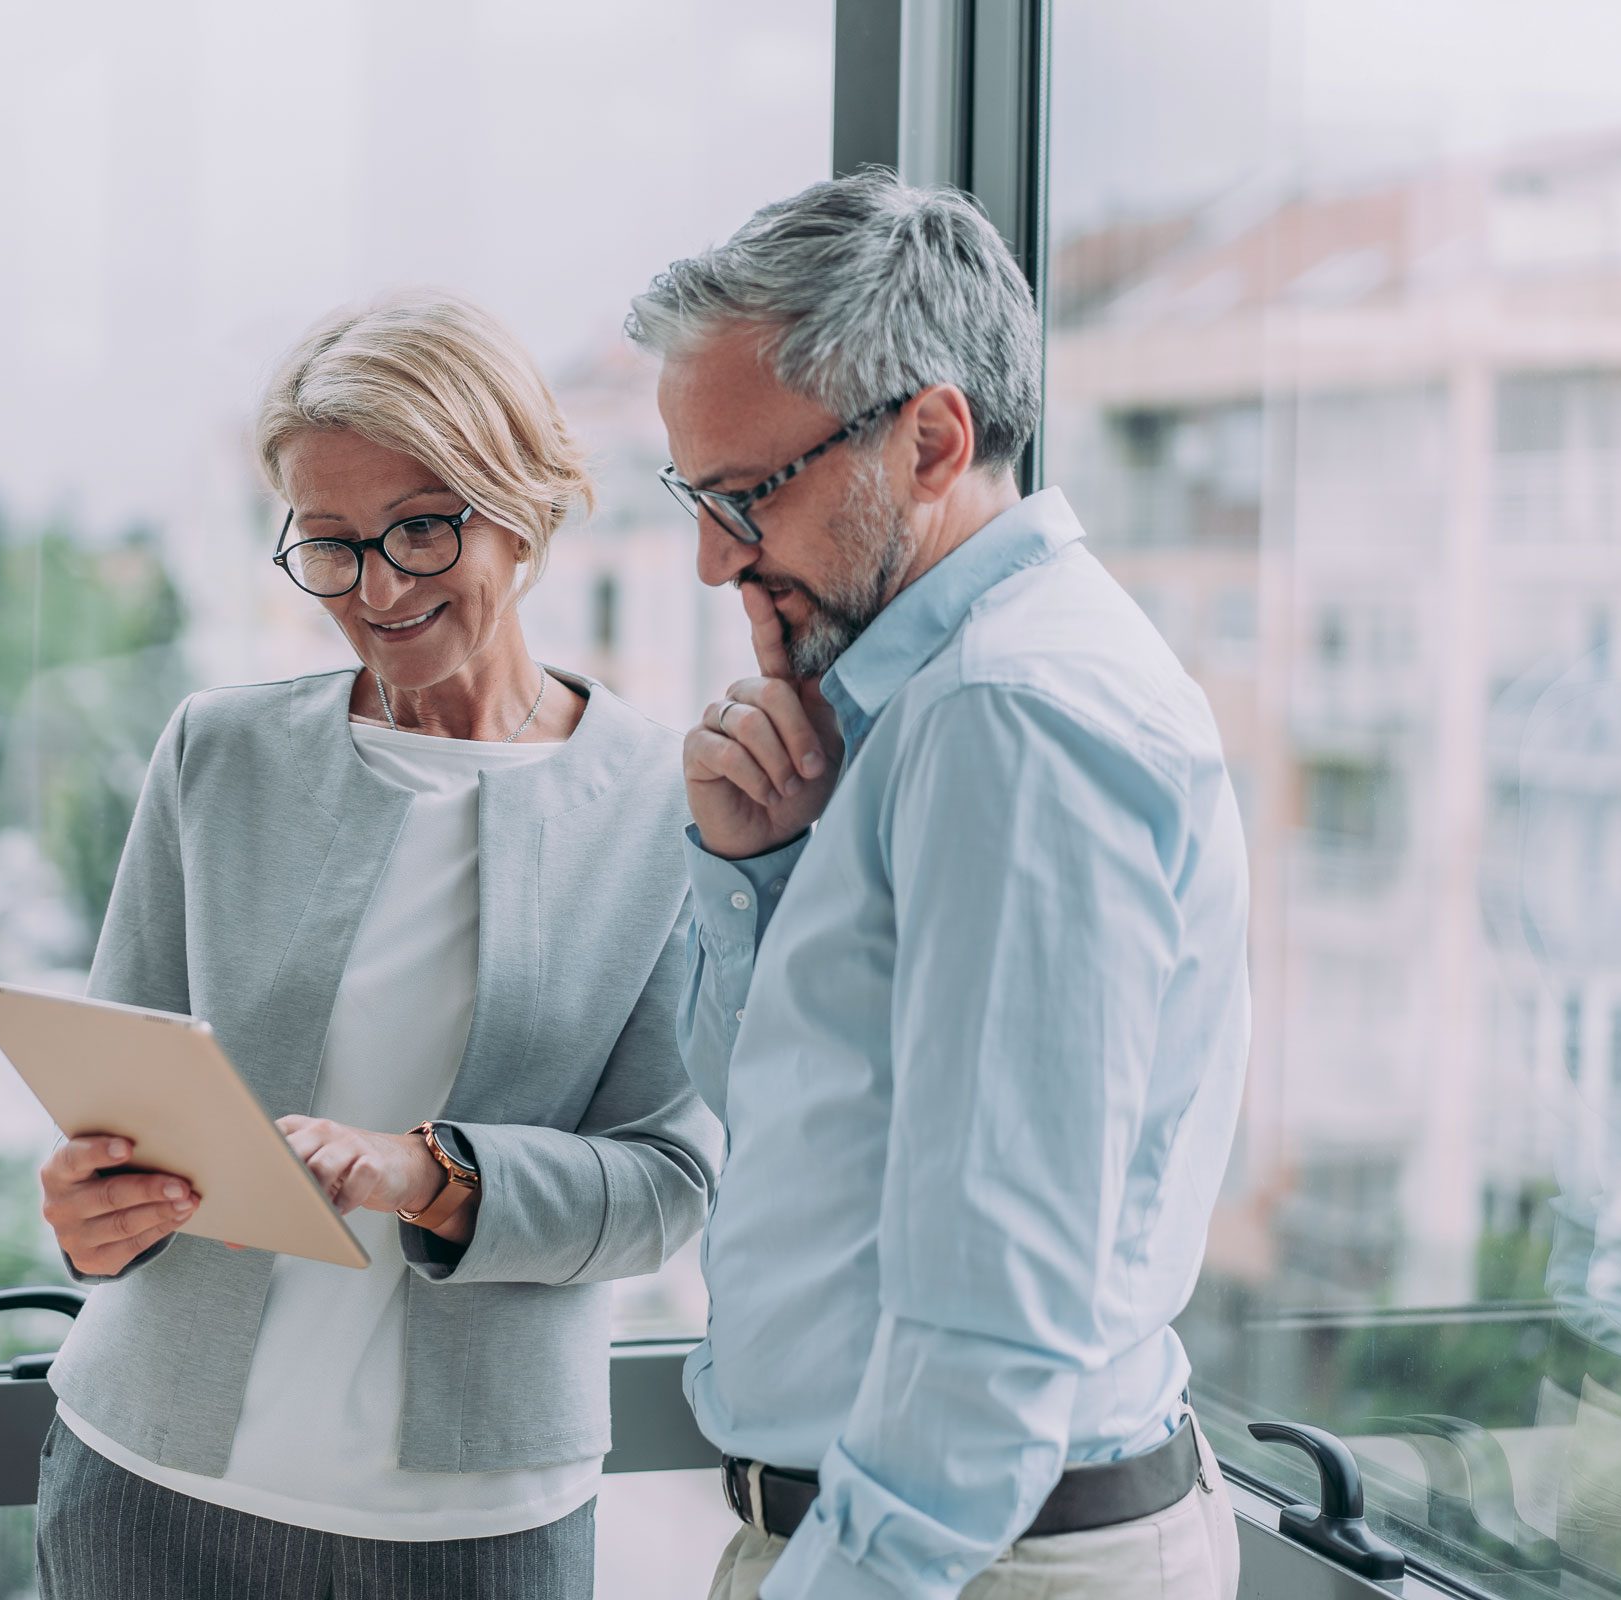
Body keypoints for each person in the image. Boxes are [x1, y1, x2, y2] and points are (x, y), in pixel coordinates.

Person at [29, 289, 720, 1599]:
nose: (378, 588)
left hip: (477, 1529)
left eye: (419, 528)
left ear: (522, 503)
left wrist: (432, 1174)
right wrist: (86, 1212)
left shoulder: (662, 806)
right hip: (150, 1485)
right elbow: (113, 1105)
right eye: (331, 545)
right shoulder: (218, 756)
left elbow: (669, 1186)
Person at [626, 170, 1253, 1599]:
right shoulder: (921, 708)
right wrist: (757, 868)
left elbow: (1000, 1312)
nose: (716, 558)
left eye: (745, 498)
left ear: (930, 438)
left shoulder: (1010, 719)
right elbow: (799, 1110)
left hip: (963, 1564)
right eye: (692, 497)